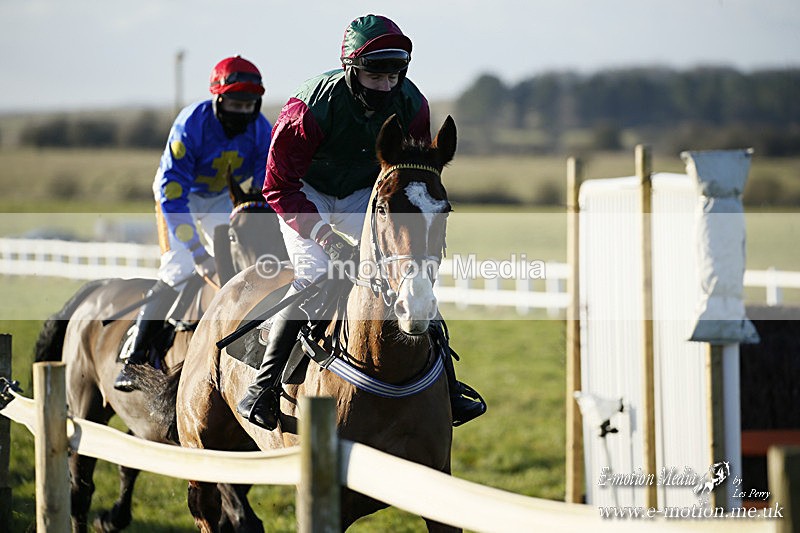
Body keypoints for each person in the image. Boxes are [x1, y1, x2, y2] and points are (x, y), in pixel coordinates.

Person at [236, 14, 486, 429]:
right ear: (351, 70)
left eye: (393, 76)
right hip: (304, 192)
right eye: (375, 76)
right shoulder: (307, 109)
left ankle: (450, 388)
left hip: (362, 195)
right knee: (316, 274)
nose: (386, 87)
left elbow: (410, 176)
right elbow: (278, 185)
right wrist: (325, 238)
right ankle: (261, 387)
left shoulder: (413, 105)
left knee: (409, 276)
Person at [114, 55, 273, 392]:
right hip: (179, 198)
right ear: (217, 99)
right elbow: (172, 194)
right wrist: (199, 254)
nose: (242, 112)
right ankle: (136, 357)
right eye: (234, 103)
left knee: (238, 266)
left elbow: (260, 188)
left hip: (219, 199)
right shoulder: (191, 124)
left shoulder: (262, 129)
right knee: (180, 267)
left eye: (249, 104)